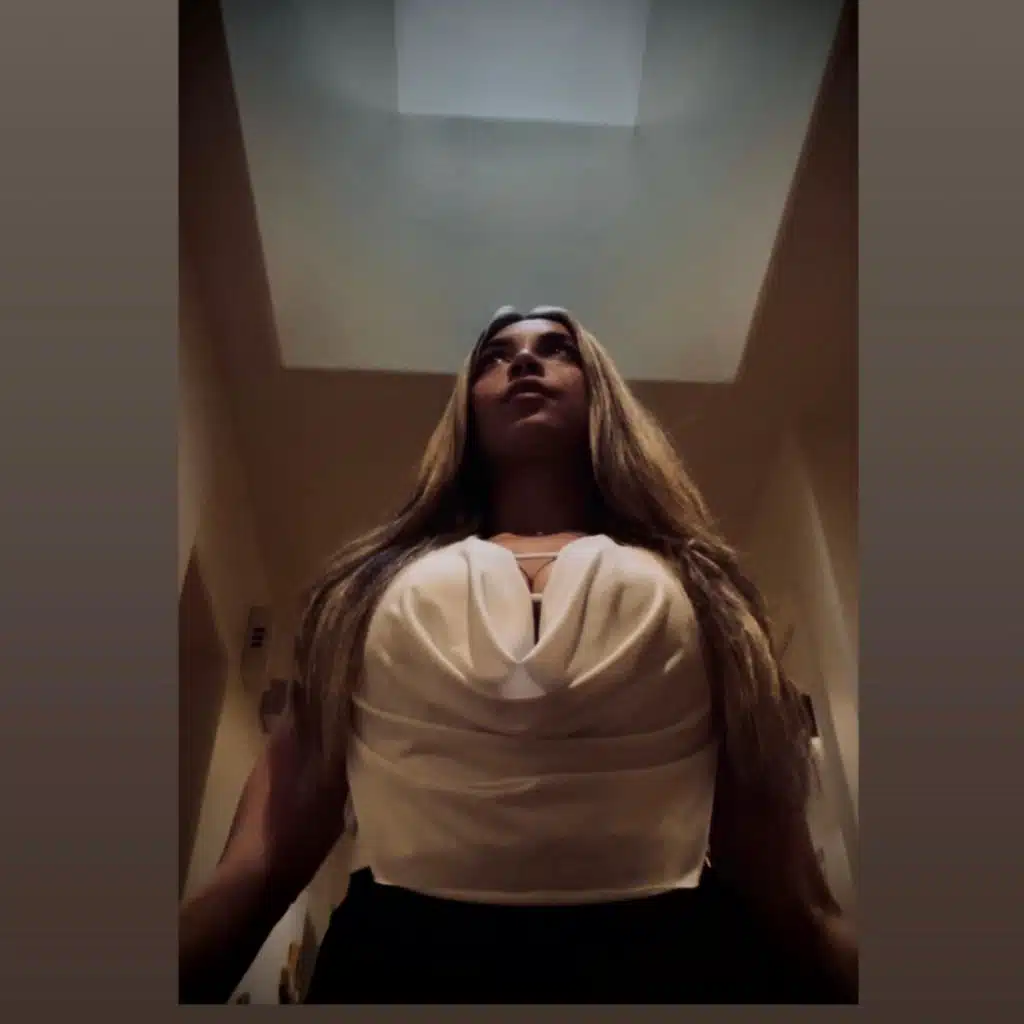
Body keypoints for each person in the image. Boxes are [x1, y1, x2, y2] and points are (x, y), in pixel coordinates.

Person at [179, 306, 858, 1004]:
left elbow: (791, 894)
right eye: (495, 356)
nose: (524, 362)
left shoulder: (701, 586)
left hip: (665, 958)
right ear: (467, 404)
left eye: (556, 349)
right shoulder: (366, 589)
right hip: (402, 960)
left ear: (600, 392)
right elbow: (262, 860)